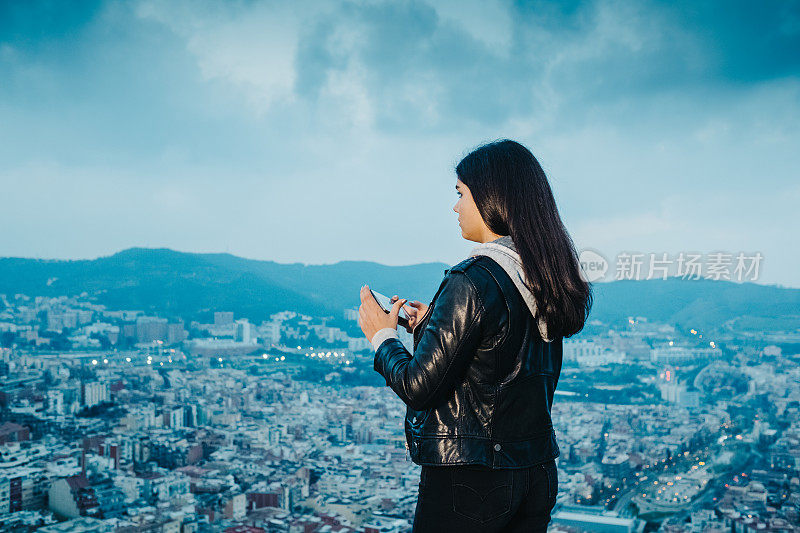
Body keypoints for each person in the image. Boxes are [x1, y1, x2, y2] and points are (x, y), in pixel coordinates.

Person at [358, 139, 593, 532]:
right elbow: (499, 359)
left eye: (460, 193)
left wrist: (383, 337)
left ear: (490, 198)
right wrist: (431, 328)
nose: (455, 206)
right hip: (535, 472)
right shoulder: (541, 276)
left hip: (470, 481)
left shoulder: (473, 279)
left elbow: (418, 387)